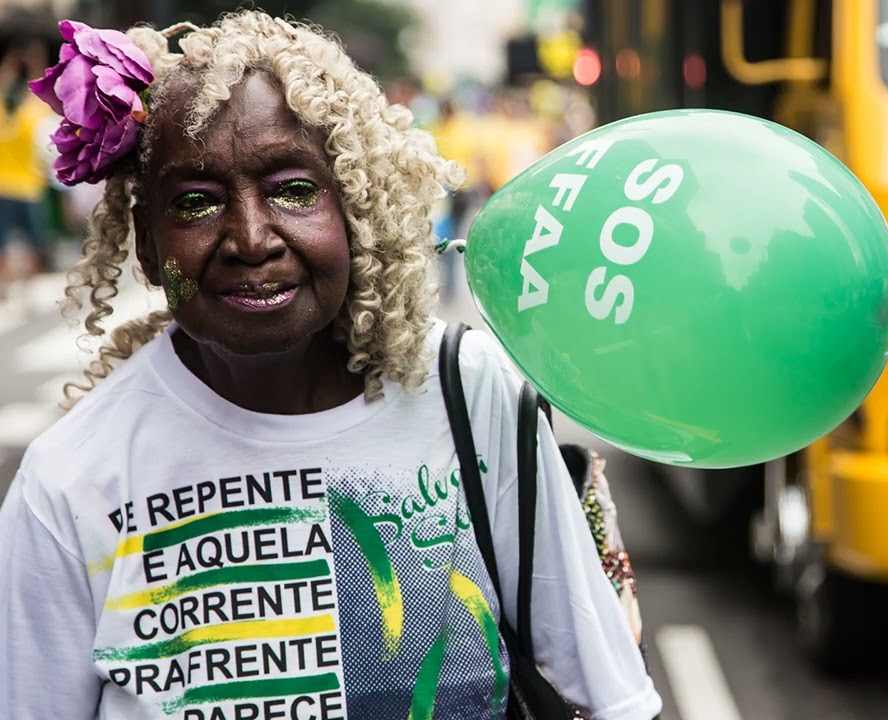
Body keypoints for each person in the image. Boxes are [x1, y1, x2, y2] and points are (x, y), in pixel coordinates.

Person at [0, 12, 662, 720]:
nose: (251, 239)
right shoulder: (71, 481)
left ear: (356, 211)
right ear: (145, 248)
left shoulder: (466, 393)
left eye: (293, 189)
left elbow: (613, 699)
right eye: (195, 202)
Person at [0, 40, 55, 290]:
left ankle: (8, 284)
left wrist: (12, 59)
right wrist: (34, 61)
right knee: (35, 244)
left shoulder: (5, 116)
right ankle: (28, 289)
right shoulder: (33, 113)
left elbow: (5, 83)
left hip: (6, 188)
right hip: (28, 189)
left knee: (5, 245)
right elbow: (37, 88)